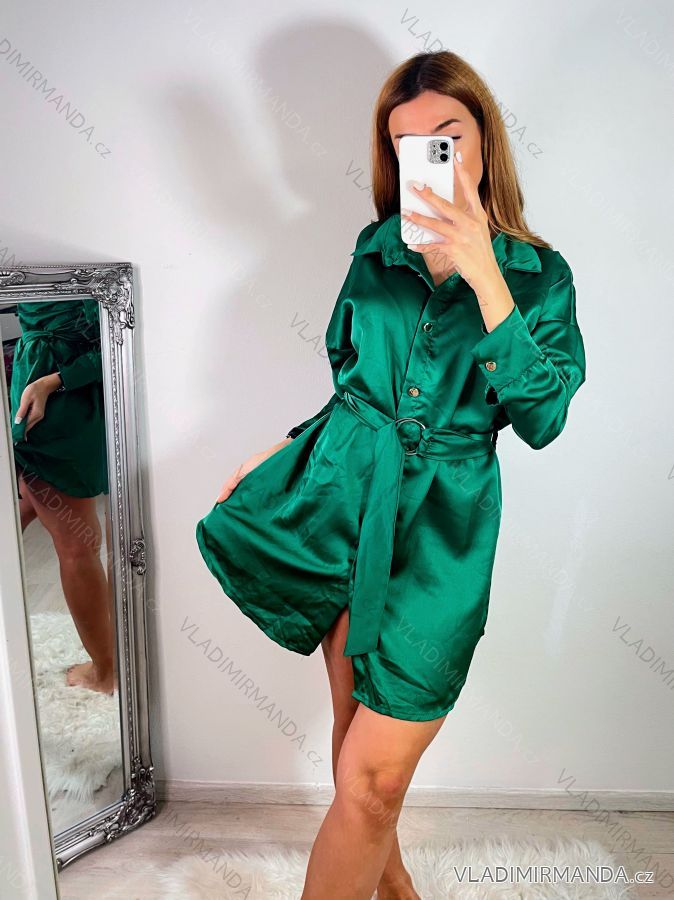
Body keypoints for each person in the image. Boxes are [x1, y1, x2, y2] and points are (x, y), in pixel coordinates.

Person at [196, 49, 586, 899]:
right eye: (408, 145)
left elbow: (544, 418)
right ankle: (397, 889)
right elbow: (351, 389)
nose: (429, 157)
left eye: (447, 136)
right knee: (358, 770)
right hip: (343, 504)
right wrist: (284, 451)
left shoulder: (540, 277)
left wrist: (484, 270)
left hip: (443, 537)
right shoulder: (374, 251)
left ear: (484, 141)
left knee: (372, 777)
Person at [10, 297, 115, 695]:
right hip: (49, 401)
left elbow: (119, 339)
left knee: (71, 540)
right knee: (72, 541)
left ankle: (105, 670)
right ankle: (106, 670)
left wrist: (52, 381)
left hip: (57, 398)